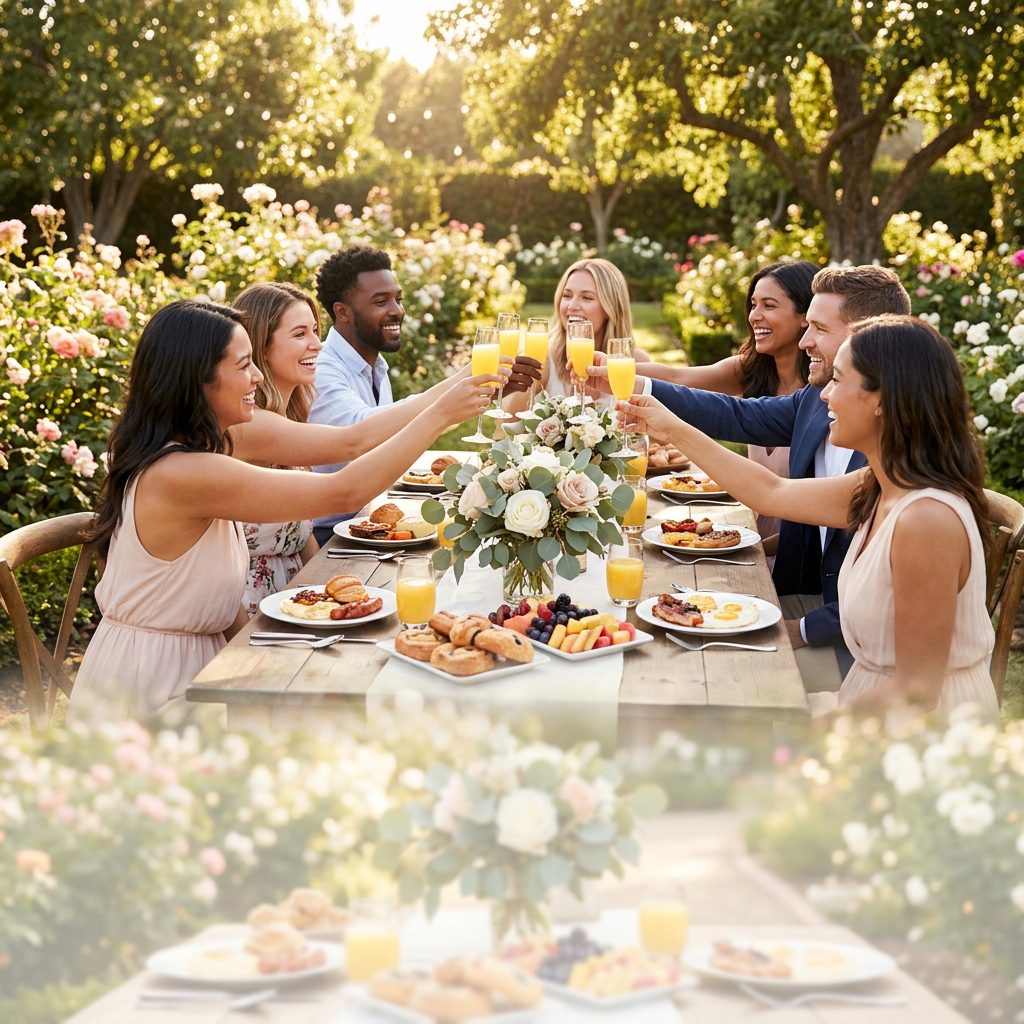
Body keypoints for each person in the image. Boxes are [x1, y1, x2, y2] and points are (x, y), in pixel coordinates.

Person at [73, 299, 502, 719]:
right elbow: (344, 491)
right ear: (196, 380)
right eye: (243, 365)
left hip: (205, 665)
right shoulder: (185, 472)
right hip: (150, 687)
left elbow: (215, 603)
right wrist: (440, 417)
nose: (257, 376)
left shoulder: (199, 448)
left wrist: (259, 660)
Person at [617, 315, 998, 727]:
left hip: (924, 738)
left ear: (882, 399)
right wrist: (669, 426)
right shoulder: (879, 482)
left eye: (838, 380)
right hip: (867, 704)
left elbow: (916, 692)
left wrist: (805, 738)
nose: (825, 396)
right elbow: (771, 493)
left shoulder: (927, 520)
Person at [588, 264, 911, 694]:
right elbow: (734, 414)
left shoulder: (896, 463)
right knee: (679, 639)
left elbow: (773, 494)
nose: (805, 340)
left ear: (865, 338)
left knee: (707, 672)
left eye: (817, 327)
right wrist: (633, 385)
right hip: (808, 597)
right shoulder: (818, 399)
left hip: (851, 644)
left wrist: (804, 629)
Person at [308, 245, 540, 545]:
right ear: (342, 312)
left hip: (372, 523)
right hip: (330, 536)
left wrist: (478, 391)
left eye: (398, 299)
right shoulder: (322, 368)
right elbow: (360, 435)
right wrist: (460, 382)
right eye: (381, 301)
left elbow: (399, 434)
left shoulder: (375, 365)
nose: (398, 311)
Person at [639, 259, 816, 555]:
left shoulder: (823, 397)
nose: (754, 316)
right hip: (749, 541)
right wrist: (610, 369)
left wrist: (746, 547)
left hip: (790, 561)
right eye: (753, 304)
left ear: (805, 316)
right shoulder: (752, 371)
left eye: (769, 306)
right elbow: (679, 378)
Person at [502, 257, 651, 420]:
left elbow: (659, 438)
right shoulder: (543, 360)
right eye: (567, 295)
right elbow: (505, 425)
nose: (572, 306)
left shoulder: (637, 362)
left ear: (610, 308)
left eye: (586, 297)